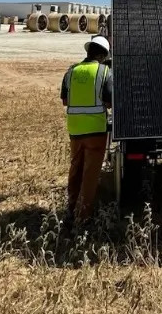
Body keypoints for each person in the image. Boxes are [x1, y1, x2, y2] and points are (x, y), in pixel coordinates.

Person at [60, 34, 113, 225]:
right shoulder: (104, 73)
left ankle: (70, 209)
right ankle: (83, 218)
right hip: (96, 131)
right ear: (103, 55)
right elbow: (109, 101)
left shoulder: (71, 71)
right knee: (90, 174)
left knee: (76, 169)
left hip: (74, 130)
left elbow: (65, 100)